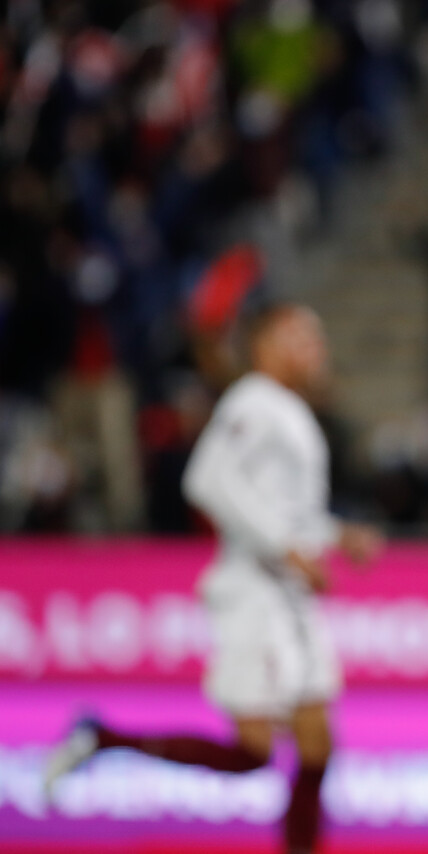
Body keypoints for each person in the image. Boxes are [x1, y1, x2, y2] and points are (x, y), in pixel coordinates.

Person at [44, 303, 383, 854]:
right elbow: (207, 480)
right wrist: (286, 549)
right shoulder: (252, 402)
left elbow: (286, 510)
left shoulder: (288, 410)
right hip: (257, 598)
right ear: (266, 346)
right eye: (303, 337)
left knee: (316, 745)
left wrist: (338, 535)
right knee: (255, 753)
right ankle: (103, 738)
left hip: (288, 596)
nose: (317, 349)